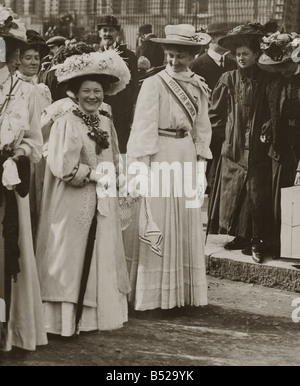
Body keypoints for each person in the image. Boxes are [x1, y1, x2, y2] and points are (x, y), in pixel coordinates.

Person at [35, 49, 131, 336]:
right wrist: (92, 174)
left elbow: (113, 157)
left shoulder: (104, 120)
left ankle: (94, 316)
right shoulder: (66, 122)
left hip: (102, 199)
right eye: (86, 91)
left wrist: (117, 177)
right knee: (70, 253)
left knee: (102, 249)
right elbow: (62, 166)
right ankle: (62, 320)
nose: (93, 96)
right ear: (74, 94)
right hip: (71, 201)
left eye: (98, 91)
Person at [124, 24, 212, 312]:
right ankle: (153, 296)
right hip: (160, 152)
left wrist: (200, 159)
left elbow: (202, 127)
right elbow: (144, 124)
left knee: (185, 219)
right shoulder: (154, 83)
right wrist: (143, 164)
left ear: (192, 56)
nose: (175, 61)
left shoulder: (199, 84)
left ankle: (182, 294)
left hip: (185, 152)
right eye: (171, 55)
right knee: (159, 217)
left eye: (181, 56)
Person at [0, 5, 47, 352]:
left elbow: (34, 140)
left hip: (7, 179)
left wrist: (18, 156)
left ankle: (10, 330)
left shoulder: (26, 92)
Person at [207, 23, 273, 264]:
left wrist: (269, 127)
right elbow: (214, 114)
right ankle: (241, 236)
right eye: (237, 54)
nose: (241, 58)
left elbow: (273, 109)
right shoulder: (228, 79)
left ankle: (258, 239)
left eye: (246, 53)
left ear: (256, 54)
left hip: (258, 145)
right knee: (235, 191)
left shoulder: (267, 79)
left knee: (257, 192)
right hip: (233, 145)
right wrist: (220, 140)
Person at [258, 32, 300, 258]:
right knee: (279, 197)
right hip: (280, 146)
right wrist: (269, 125)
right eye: (279, 66)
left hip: (298, 144)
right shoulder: (275, 82)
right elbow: (273, 111)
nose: (282, 70)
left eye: (285, 65)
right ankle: (280, 244)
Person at [190, 22, 238, 195]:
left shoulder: (233, 64)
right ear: (213, 39)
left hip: (229, 123)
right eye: (223, 39)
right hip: (205, 122)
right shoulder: (196, 65)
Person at [16, 29, 52, 239]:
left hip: (44, 152)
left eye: (36, 58)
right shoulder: (16, 88)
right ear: (18, 60)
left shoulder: (42, 90)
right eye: (28, 58)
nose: (33, 62)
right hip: (25, 151)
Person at [97, 15, 139, 154]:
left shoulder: (129, 55)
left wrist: (131, 107)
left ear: (117, 33)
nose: (108, 34)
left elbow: (134, 85)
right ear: (99, 33)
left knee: (121, 143)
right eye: (104, 30)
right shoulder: (93, 55)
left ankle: (121, 171)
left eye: (111, 30)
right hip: (98, 105)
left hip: (122, 108)